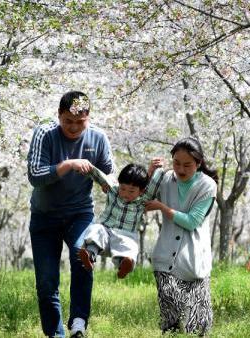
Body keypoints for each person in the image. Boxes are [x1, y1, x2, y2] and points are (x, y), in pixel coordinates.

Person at [27, 91, 113, 338]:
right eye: (68, 121)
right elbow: (35, 175)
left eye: (80, 122)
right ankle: (55, 333)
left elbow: (109, 173)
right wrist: (69, 164)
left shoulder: (98, 138)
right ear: (59, 116)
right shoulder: (45, 134)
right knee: (46, 281)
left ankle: (78, 323)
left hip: (80, 213)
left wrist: (112, 184)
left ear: (88, 117)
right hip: (45, 217)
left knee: (82, 256)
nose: (74, 127)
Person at [145, 137, 218, 336]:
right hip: (165, 259)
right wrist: (149, 175)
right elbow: (141, 200)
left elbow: (192, 221)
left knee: (199, 325)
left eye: (187, 165)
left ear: (198, 163)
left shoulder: (207, 185)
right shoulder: (165, 178)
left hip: (195, 262)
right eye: (176, 163)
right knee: (171, 321)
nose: (181, 169)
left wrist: (162, 207)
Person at [78, 162, 164, 279]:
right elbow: (98, 175)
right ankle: (89, 255)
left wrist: (159, 170)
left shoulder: (142, 200)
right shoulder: (113, 189)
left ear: (141, 191)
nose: (125, 194)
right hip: (106, 233)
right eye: (123, 188)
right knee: (96, 229)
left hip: (125, 235)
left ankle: (123, 265)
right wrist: (84, 166)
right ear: (119, 184)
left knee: (129, 246)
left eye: (131, 191)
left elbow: (153, 186)